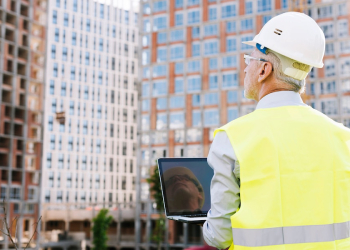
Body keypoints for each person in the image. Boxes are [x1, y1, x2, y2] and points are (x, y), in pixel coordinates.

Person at [203, 12, 350, 250]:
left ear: (264, 70)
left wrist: (206, 224)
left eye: (249, 59)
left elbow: (219, 236)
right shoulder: (343, 137)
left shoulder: (233, 138)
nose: (245, 69)